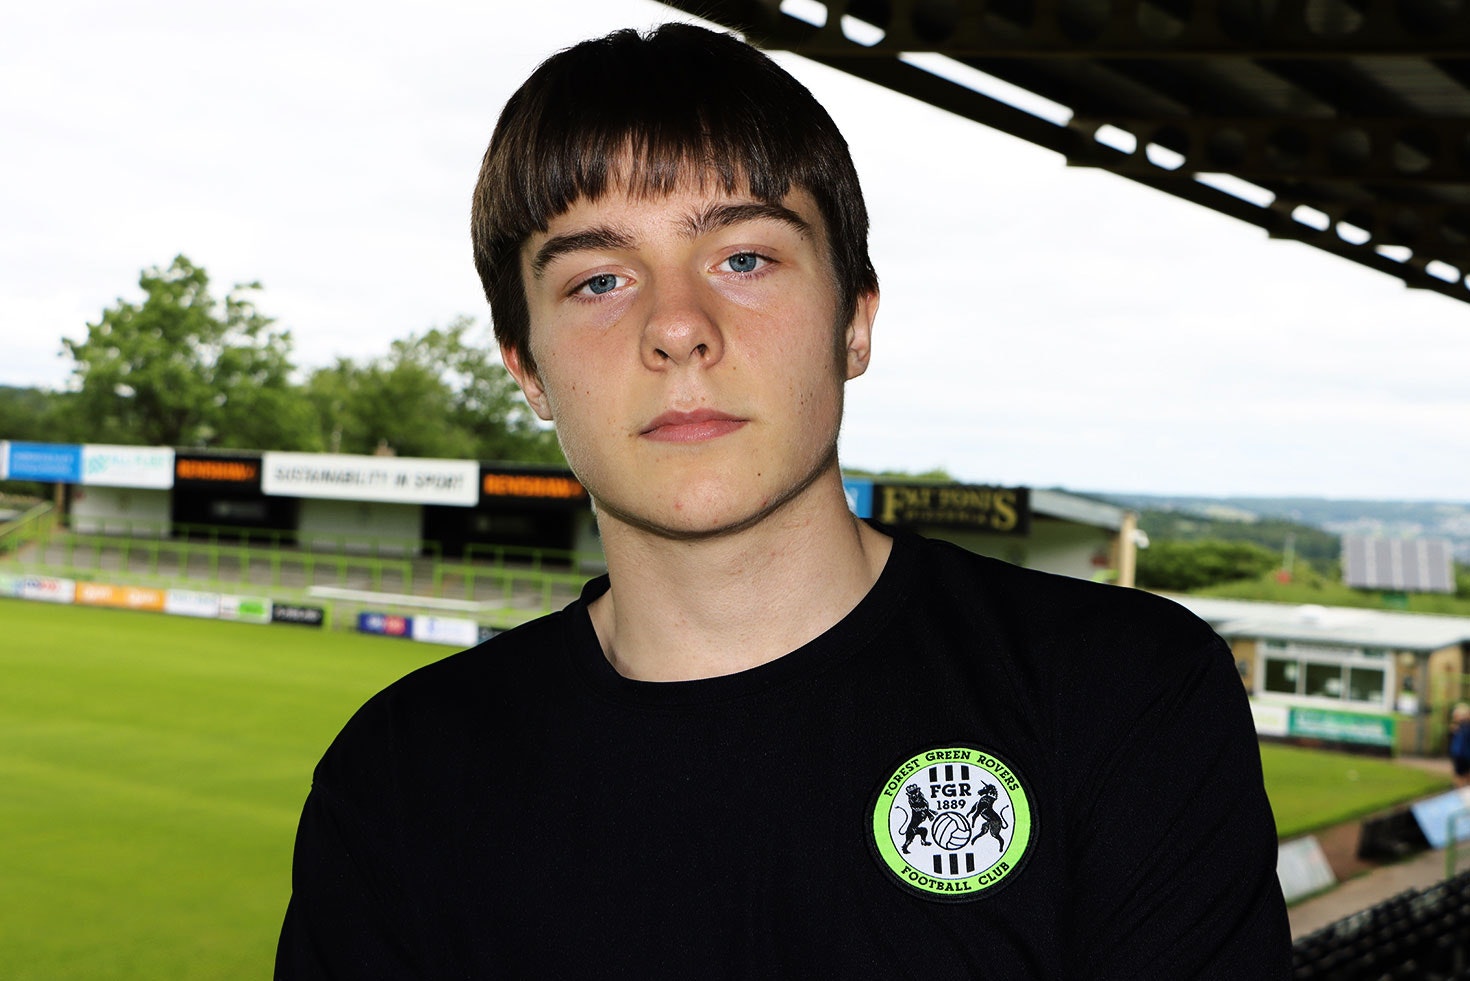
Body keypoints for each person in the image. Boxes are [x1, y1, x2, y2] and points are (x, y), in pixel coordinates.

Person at [276, 23, 1290, 978]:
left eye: (745, 258)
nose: (678, 326)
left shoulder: (1120, 699)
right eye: (599, 281)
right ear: (528, 369)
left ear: (854, 321)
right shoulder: (398, 781)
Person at [1451, 703, 1470, 787]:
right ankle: (1460, 788)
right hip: (1459, 754)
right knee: (1459, 774)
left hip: (1465, 754)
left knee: (1466, 774)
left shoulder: (1465, 727)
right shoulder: (1457, 727)